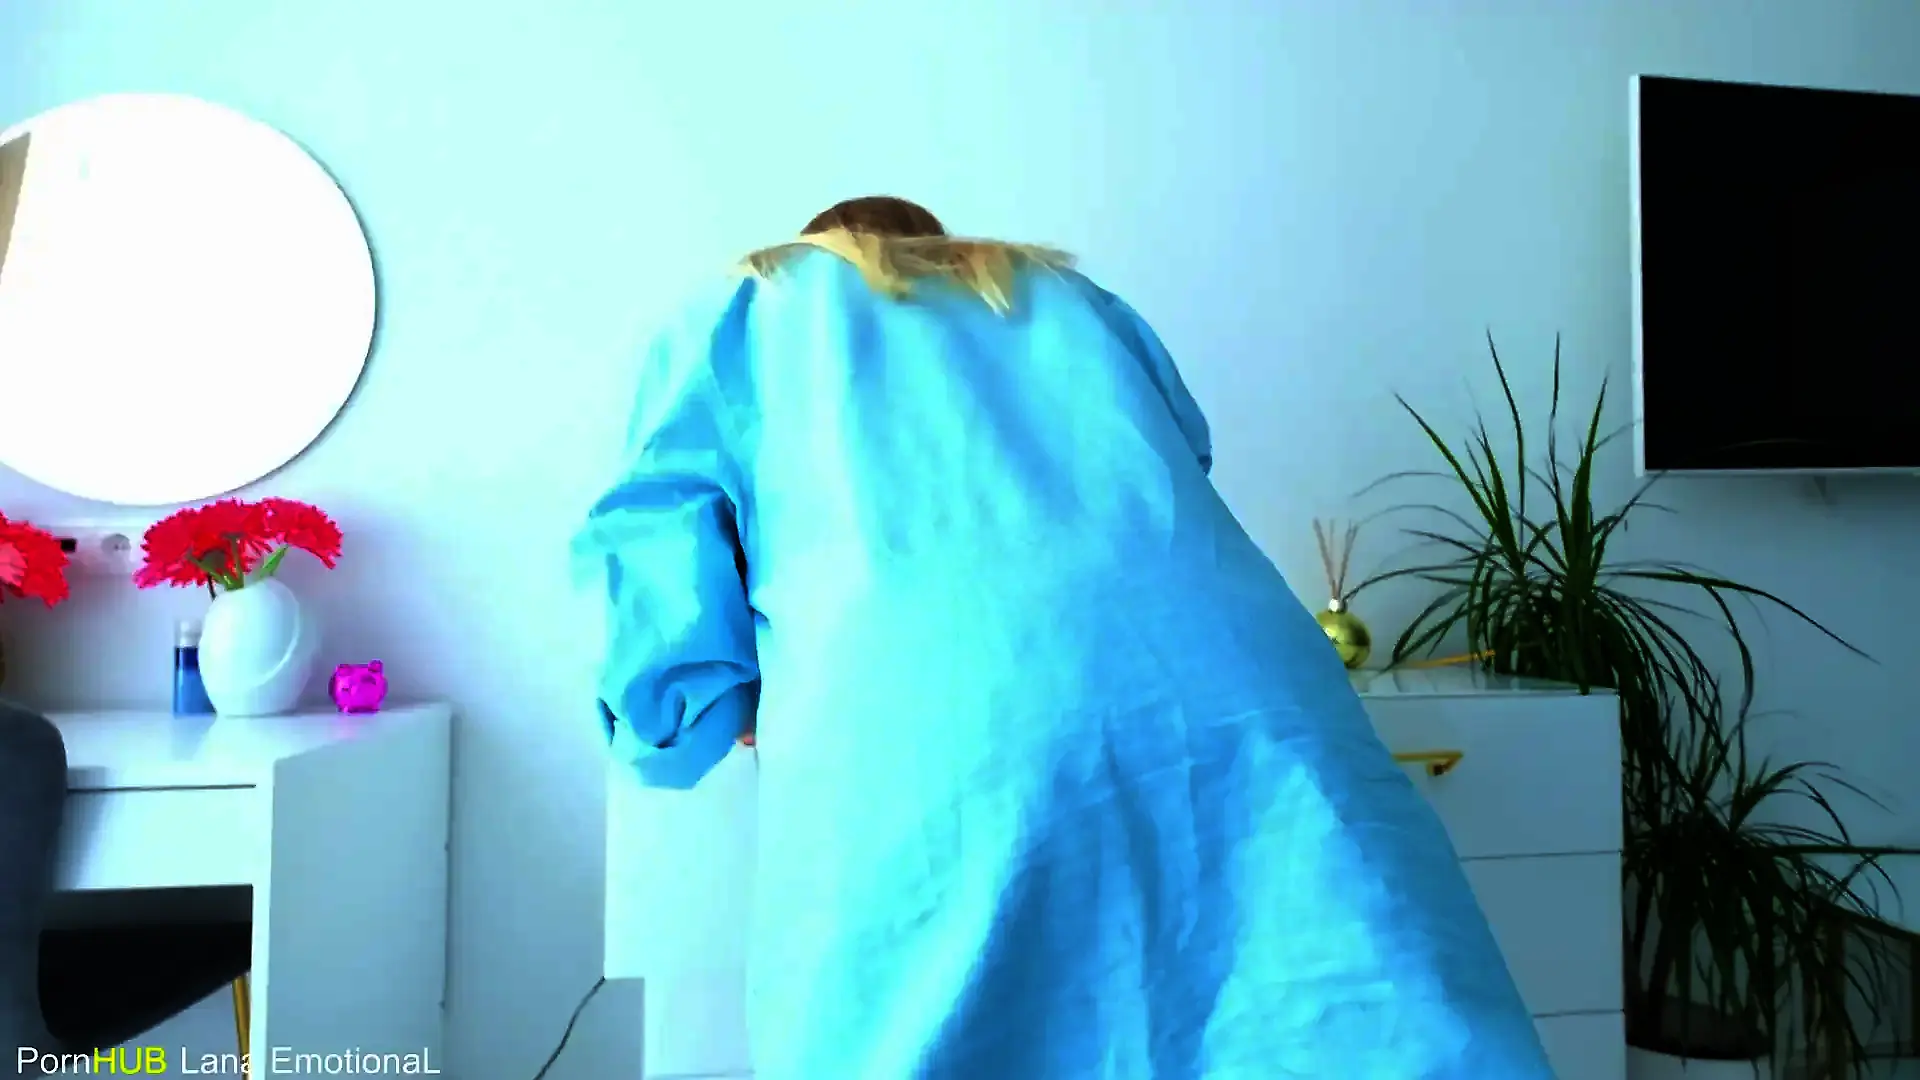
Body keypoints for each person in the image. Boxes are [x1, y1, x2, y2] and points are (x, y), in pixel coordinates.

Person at [575, 196, 1555, 1078]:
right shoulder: (1074, 300)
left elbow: (662, 583)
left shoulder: (750, 307)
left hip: (944, 737)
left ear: (820, 242)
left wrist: (704, 714)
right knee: (1358, 1004)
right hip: (1251, 703)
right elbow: (1177, 462)